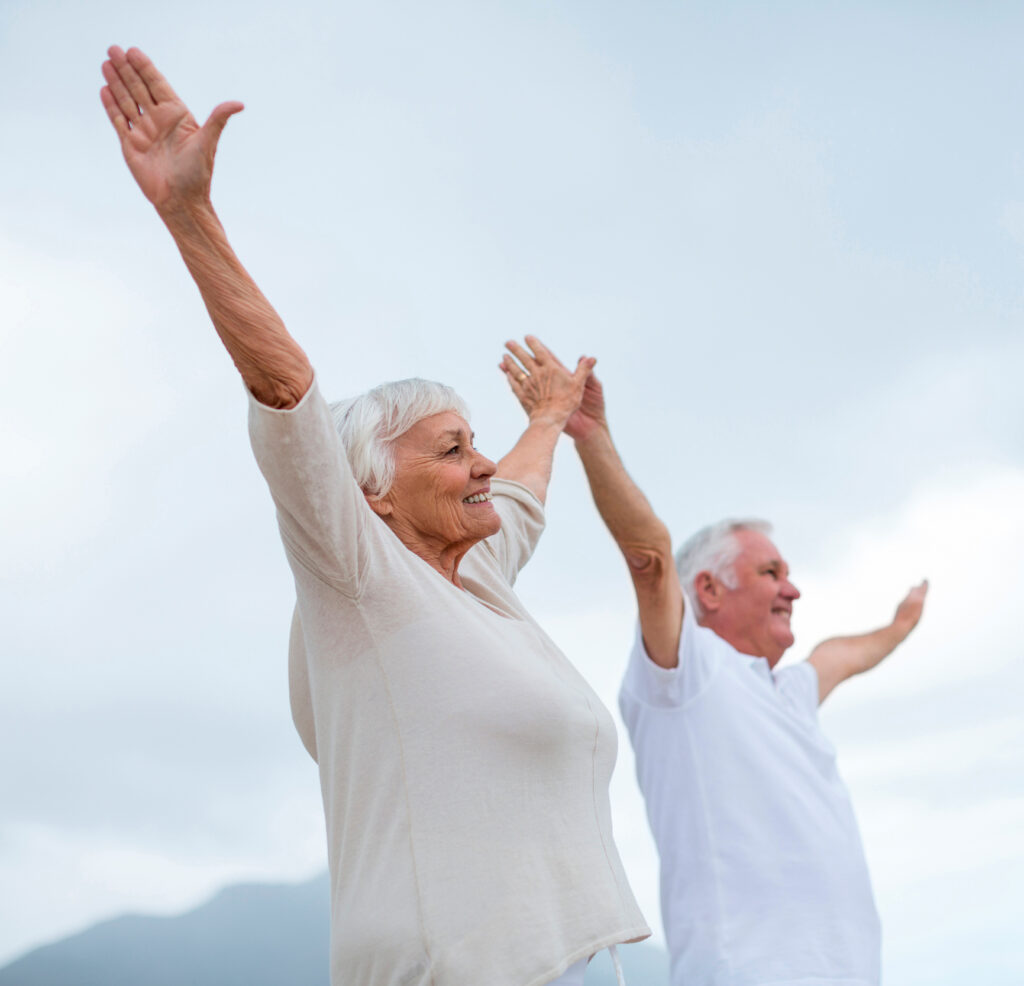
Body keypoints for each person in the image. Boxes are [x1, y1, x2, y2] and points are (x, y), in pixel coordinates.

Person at [99, 45, 648, 986]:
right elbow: (285, 389)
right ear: (369, 494)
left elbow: (513, 489)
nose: (477, 464)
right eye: (448, 448)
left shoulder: (470, 574)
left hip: (580, 959)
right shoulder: (356, 572)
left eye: (473, 441)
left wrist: (552, 418)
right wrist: (191, 216)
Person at [506, 355, 927, 986]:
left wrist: (898, 628)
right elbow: (649, 556)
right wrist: (592, 436)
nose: (794, 590)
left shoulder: (790, 690)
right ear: (707, 589)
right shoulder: (687, 675)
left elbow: (842, 653)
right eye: (771, 573)